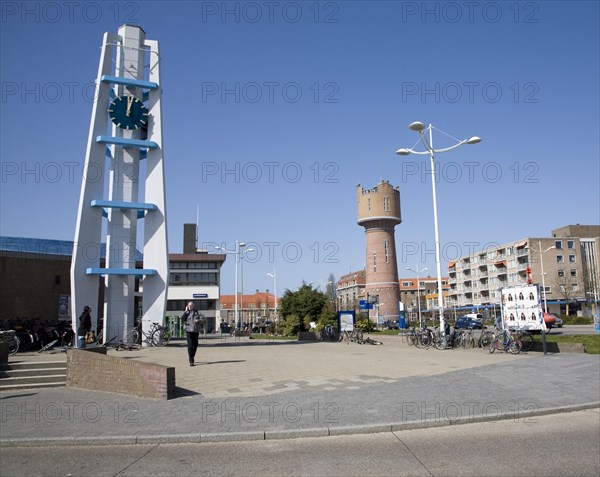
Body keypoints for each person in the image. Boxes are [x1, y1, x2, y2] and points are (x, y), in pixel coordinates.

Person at [181, 301, 204, 366]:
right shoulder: (186, 313)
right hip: (188, 331)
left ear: (194, 306)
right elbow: (182, 318)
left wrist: (198, 320)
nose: (190, 307)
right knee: (190, 346)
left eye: (191, 305)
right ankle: (191, 360)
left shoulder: (197, 312)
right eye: (189, 305)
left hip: (196, 331)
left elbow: (203, 320)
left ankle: (192, 356)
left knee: (195, 345)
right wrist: (186, 311)